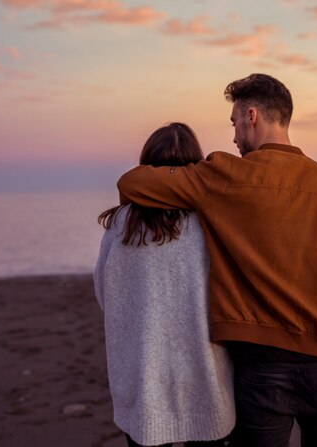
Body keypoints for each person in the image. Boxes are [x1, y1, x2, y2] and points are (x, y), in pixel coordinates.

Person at [115, 74, 317, 447]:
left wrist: (186, 170)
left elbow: (132, 183)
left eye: (234, 123)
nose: (234, 136)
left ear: (251, 115)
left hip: (261, 365)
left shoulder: (222, 176)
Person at [94, 122, 236, 447]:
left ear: (147, 165)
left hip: (143, 370)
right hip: (205, 371)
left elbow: (105, 293)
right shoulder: (211, 221)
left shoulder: (121, 223)